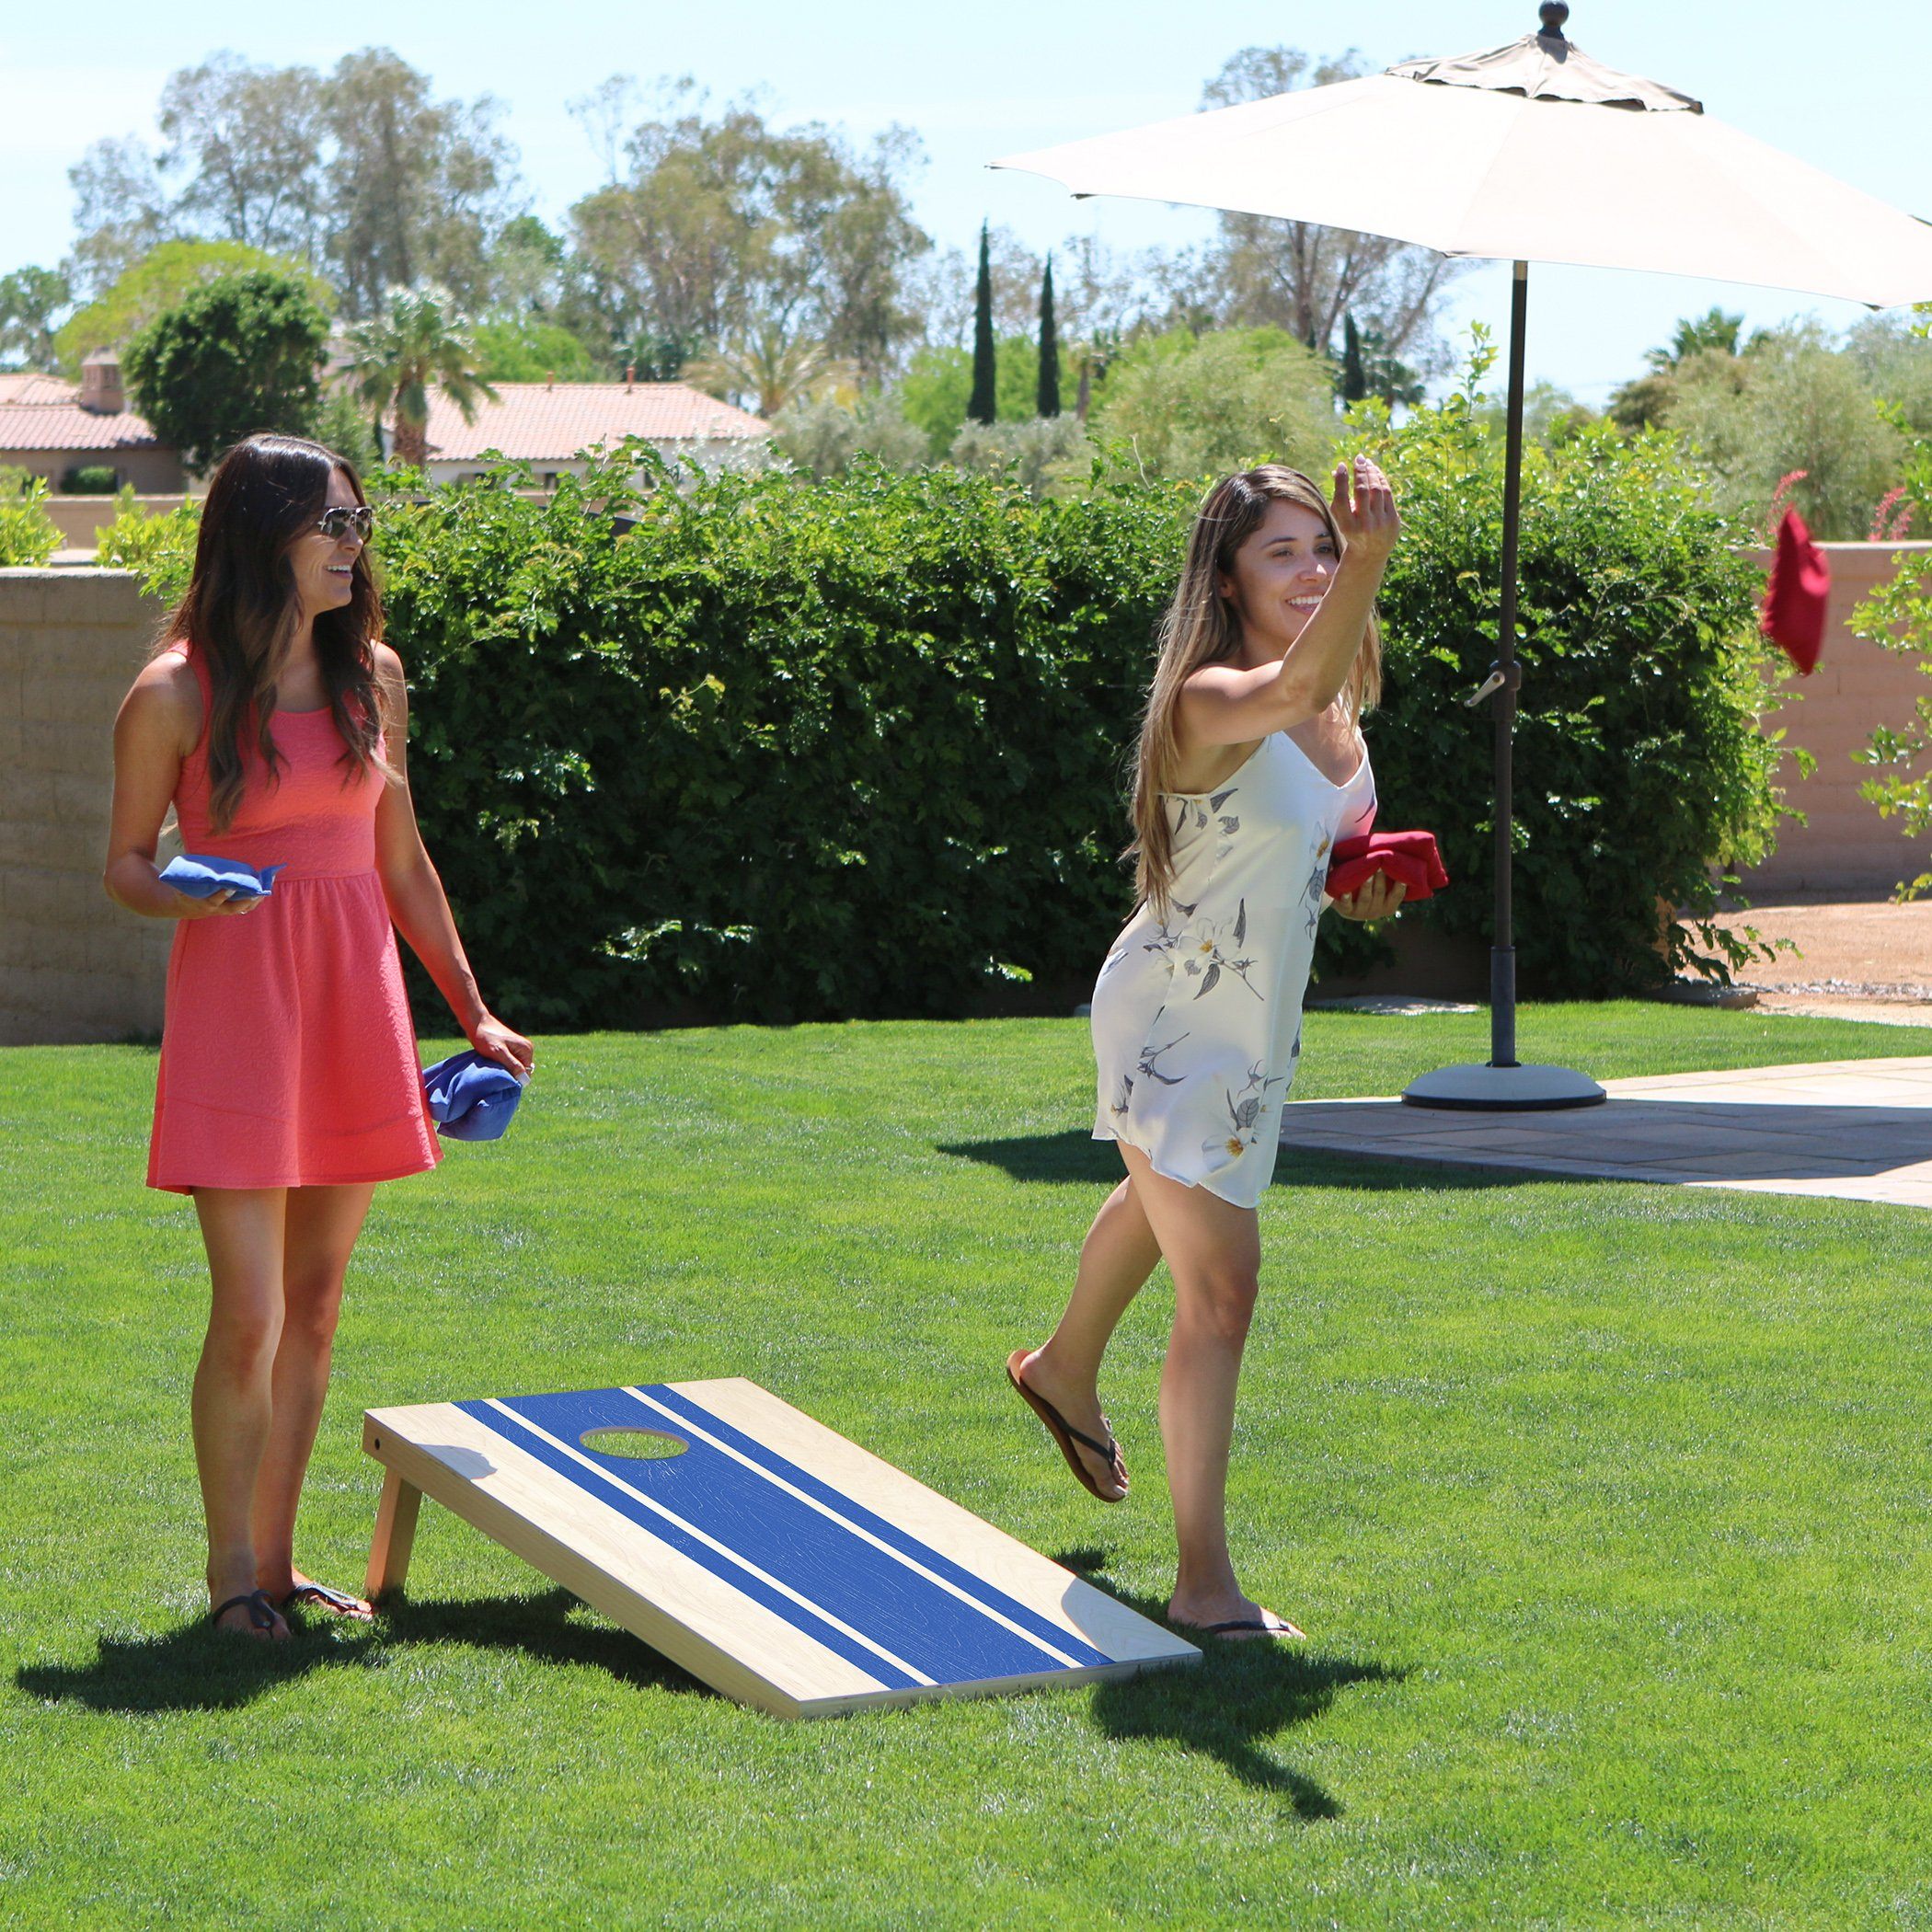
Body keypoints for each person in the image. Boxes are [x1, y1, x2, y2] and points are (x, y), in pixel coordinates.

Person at [105, 434, 533, 1641]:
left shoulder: (374, 678)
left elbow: (399, 858)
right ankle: (230, 1573)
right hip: (239, 1016)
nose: (356, 547)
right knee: (248, 1313)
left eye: (358, 525)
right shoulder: (176, 692)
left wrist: (473, 1008)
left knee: (319, 1301)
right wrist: (184, 891)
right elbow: (124, 866)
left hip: (356, 1010)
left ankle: (283, 1568)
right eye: (334, 526)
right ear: (266, 536)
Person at [1006, 458, 1404, 1639]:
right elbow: (1292, 690)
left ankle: (1061, 1369)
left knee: (1165, 1197)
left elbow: (1293, 836)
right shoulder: (1214, 698)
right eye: (1282, 552)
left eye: (1323, 549)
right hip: (1177, 1020)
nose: (1313, 567)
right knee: (1221, 1287)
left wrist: (1359, 887)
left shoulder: (1333, 709)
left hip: (1253, 1025)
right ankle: (1204, 1586)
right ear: (1226, 578)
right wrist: (1375, 564)